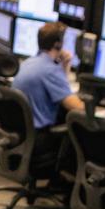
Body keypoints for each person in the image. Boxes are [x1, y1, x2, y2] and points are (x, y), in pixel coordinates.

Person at [12, 21, 84, 172]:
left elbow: (59, 86)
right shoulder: (50, 70)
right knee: (79, 126)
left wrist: (65, 65)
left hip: (22, 135)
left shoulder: (28, 62)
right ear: (58, 44)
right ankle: (65, 183)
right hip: (40, 140)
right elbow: (78, 108)